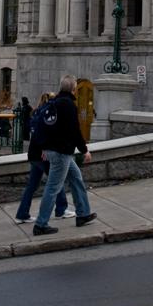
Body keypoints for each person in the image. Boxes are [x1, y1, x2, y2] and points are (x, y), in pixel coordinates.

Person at [32, 75, 96, 236]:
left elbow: (42, 127)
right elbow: (74, 131)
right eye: (75, 87)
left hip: (52, 150)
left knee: (76, 177)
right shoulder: (68, 105)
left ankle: (83, 214)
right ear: (73, 88)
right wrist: (84, 150)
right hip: (61, 153)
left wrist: (43, 148)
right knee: (53, 187)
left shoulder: (52, 102)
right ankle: (40, 224)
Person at [14, 91, 73, 224]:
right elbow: (45, 134)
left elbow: (34, 134)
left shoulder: (36, 113)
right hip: (43, 154)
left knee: (32, 185)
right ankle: (61, 209)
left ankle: (22, 213)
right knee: (56, 180)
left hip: (34, 154)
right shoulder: (48, 114)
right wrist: (45, 149)